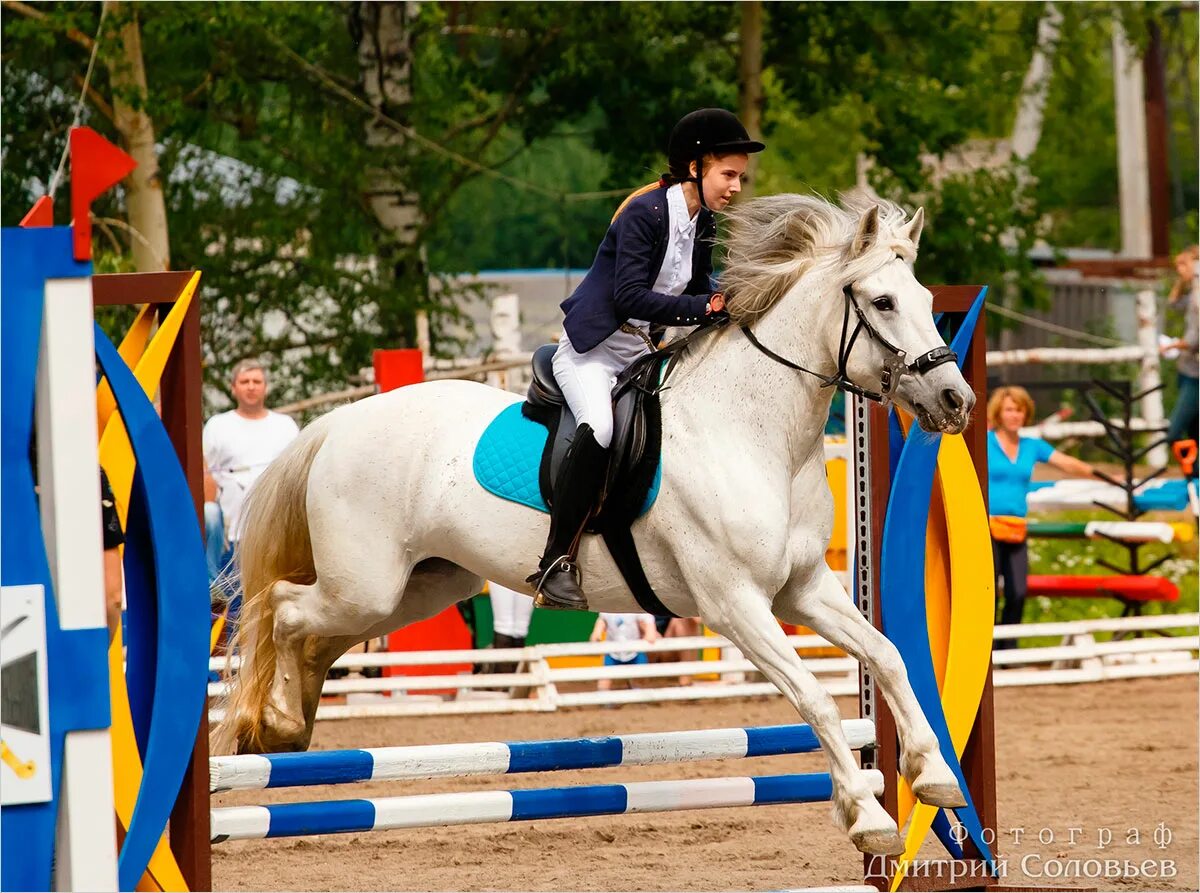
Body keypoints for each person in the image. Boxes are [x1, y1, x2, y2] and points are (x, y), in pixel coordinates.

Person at [527, 108, 765, 611]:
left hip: (639, 352)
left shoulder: (703, 223)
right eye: (729, 174)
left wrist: (738, 301)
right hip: (591, 354)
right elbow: (632, 296)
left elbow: (703, 291)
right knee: (600, 427)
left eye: (740, 177)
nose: (737, 186)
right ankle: (555, 562)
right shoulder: (646, 213)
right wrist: (705, 307)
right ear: (696, 167)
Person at [987, 386, 1097, 645]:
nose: (1015, 415)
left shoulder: (1032, 446)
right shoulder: (985, 441)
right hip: (986, 526)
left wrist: (1102, 475)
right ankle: (987, 652)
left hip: (1015, 527)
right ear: (999, 414)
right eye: (1010, 410)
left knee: (1017, 591)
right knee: (989, 592)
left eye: (1020, 410)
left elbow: (1066, 462)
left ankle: (1009, 650)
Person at [203, 359, 300, 599]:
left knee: (273, 597)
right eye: (244, 381)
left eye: (256, 381)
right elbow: (205, 471)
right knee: (235, 599)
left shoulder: (285, 426)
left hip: (276, 530)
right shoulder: (218, 425)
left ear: (265, 387)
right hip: (233, 532)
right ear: (234, 387)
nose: (251, 386)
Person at [1162, 246, 1199, 456]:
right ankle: (1194, 476)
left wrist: (1173, 345)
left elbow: (1195, 338)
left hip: (1196, 373)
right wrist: (1182, 281)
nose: (1178, 269)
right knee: (1194, 431)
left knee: (1174, 431)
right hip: (1187, 368)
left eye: (1182, 264)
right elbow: (1174, 304)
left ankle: (1193, 470)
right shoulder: (1193, 290)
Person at [590, 612, 659, 692]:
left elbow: (647, 620)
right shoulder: (607, 611)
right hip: (613, 652)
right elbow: (602, 620)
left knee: (641, 675)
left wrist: (649, 631)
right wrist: (597, 632)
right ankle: (604, 697)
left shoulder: (635, 609)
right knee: (604, 679)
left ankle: (637, 692)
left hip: (634, 651)